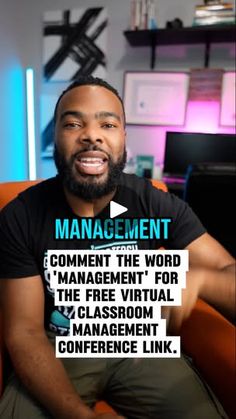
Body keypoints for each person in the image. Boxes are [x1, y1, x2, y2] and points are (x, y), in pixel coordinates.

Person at [0, 75, 235, 419]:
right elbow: (24, 330)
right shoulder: (20, 216)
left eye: (107, 124)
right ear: (57, 137)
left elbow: (228, 273)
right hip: (57, 348)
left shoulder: (155, 203)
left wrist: (202, 280)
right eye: (73, 123)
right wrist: (78, 415)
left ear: (123, 139)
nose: (91, 135)